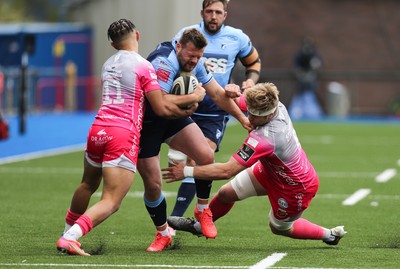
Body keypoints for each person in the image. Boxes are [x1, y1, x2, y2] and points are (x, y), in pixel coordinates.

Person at [55, 19, 203, 256]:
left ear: (113, 44)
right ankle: (71, 238)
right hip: (122, 134)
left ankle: (66, 231)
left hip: (98, 130)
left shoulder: (107, 64)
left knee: (87, 184)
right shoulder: (144, 66)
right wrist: (192, 99)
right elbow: (161, 108)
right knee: (111, 200)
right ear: (137, 35)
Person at [164, 82, 347, 245]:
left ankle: (329, 235)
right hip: (271, 170)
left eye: (254, 116)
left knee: (279, 227)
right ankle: (198, 226)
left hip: (295, 186)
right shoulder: (273, 103)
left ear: (267, 116)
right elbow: (239, 102)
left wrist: (186, 172)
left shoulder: (265, 138)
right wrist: (231, 89)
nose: (249, 118)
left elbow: (227, 171)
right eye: (249, 113)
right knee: (226, 194)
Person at [137, 27, 252, 248]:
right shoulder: (164, 62)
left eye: (198, 57)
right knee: (153, 185)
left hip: (174, 118)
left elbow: (217, 93)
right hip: (149, 122)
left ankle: (202, 210)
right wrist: (194, 97)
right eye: (191, 56)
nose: (194, 61)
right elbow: (159, 105)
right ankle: (163, 233)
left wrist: (243, 118)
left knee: (205, 155)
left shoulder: (196, 63)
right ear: (179, 46)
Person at [168, 0, 261, 219]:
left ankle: (175, 220)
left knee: (202, 158)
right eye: (209, 11)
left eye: (218, 12)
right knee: (187, 161)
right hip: (187, 107)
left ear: (225, 15)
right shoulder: (187, 35)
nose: (213, 16)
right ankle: (178, 219)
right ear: (202, 12)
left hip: (214, 112)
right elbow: (171, 62)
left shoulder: (237, 38)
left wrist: (249, 83)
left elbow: (254, 63)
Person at [289, 36, 323, 119]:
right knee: (299, 97)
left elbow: (317, 64)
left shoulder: (313, 54)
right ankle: (296, 113)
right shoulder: (300, 55)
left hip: (310, 80)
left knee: (309, 96)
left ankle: (312, 113)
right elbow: (296, 66)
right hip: (301, 81)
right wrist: (301, 74)